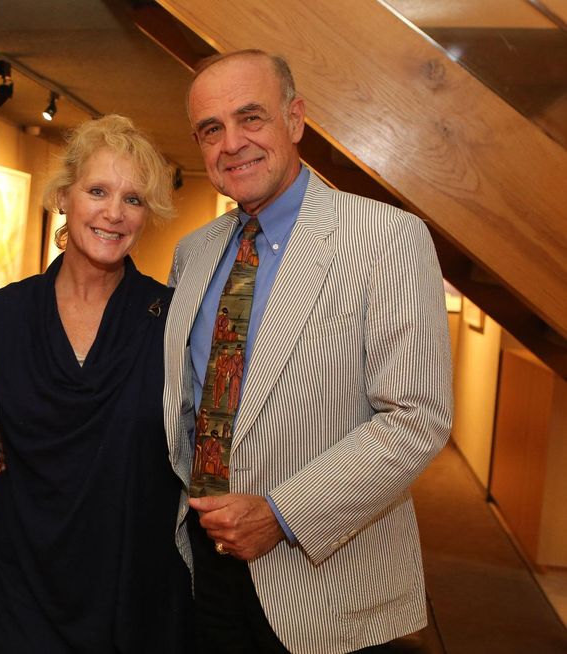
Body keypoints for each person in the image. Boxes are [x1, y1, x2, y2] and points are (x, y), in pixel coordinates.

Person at [163, 50, 452, 653]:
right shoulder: (194, 253)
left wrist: (279, 515)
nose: (232, 143)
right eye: (211, 129)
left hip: (326, 580)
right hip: (206, 570)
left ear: (295, 119)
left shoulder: (386, 238)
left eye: (252, 118)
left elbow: (417, 417)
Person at [0, 115, 192, 653]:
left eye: (134, 199)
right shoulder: (2, 314)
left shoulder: (170, 321)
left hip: (132, 583)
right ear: (64, 196)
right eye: (98, 190)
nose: (114, 213)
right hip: (20, 577)